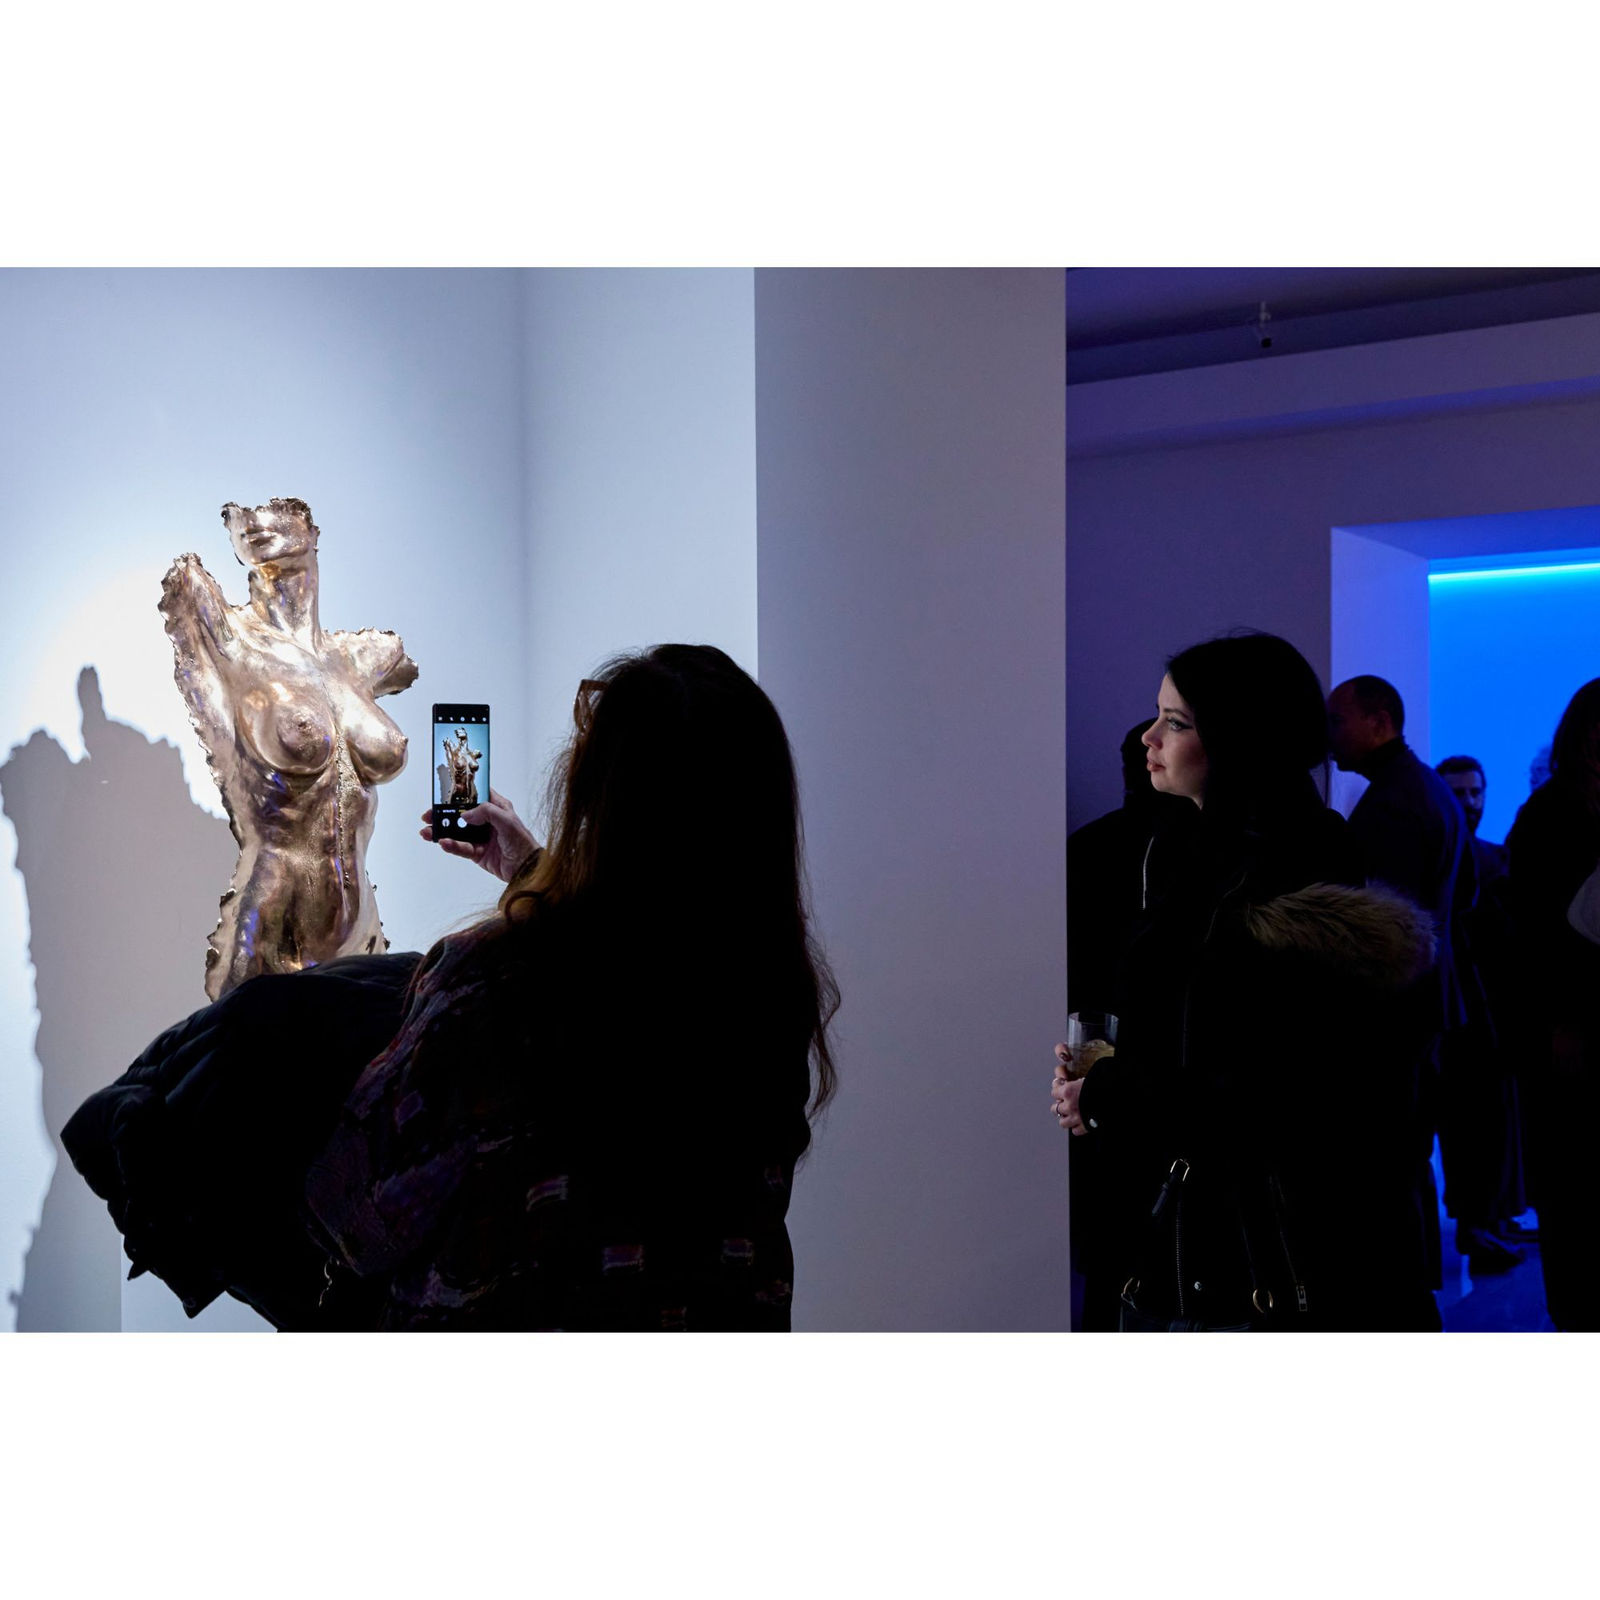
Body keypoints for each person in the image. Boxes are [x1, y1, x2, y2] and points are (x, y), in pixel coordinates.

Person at [66, 644, 838, 1332]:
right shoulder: (769, 1000)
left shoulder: (489, 984)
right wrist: (535, 872)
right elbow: (649, 954)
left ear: (596, 804)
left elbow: (352, 1213)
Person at [1052, 633, 1440, 1332]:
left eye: (1176, 722)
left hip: (1263, 1257)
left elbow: (1279, 1092)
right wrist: (1105, 1081)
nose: (1148, 738)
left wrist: (1110, 1092)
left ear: (1239, 741)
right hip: (1206, 1240)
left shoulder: (1287, 878)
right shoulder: (1202, 859)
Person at [158, 498, 418, 1000]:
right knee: (248, 1047)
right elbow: (187, 598)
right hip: (275, 923)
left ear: (313, 534)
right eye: (242, 520)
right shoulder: (232, 641)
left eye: (284, 509)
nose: (255, 519)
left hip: (362, 930)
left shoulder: (360, 659)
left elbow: (403, 663)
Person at [1326, 675, 1474, 1287]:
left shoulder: (1393, 803)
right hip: (1426, 1004)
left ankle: (1401, 1295)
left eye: (1338, 720)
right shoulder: (1427, 789)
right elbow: (1461, 900)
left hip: (1396, 1012)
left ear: (1379, 721)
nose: (1328, 735)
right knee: (1406, 1155)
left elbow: (1384, 929)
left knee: (1390, 1159)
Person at [1065, 723, 1188, 1330]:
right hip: (1137, 1068)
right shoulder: (1176, 847)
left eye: (1175, 722)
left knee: (1116, 1242)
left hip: (1114, 1059)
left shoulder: (1096, 844)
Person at [1506, 679, 1600, 1330]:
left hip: (1570, 1021)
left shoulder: (1558, 809)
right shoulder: (1554, 813)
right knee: (1573, 1188)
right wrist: (1562, 1021)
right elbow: (1539, 935)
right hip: (1567, 1027)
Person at [1433, 754, 1529, 1268]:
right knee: (1472, 1123)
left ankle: (1491, 1217)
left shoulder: (1491, 856)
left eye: (1475, 792)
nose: (1470, 802)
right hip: (1467, 1013)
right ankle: (1479, 1222)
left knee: (1495, 1119)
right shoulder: (1460, 861)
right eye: (1459, 793)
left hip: (1495, 1008)